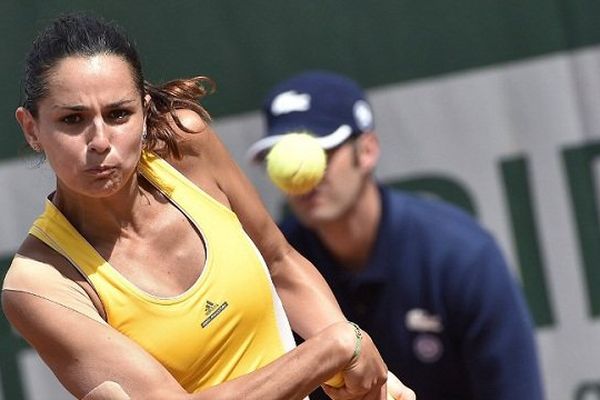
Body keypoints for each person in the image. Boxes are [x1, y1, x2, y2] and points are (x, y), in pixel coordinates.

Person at [0, 14, 416, 400]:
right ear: (32, 128)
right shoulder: (38, 286)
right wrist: (334, 347)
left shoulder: (187, 144)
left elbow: (280, 262)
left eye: (119, 114)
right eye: (72, 120)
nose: (100, 141)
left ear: (145, 113)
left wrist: (369, 376)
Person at [247, 70, 545, 400]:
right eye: (280, 160)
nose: (304, 179)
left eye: (322, 152)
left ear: (368, 150)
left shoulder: (463, 256)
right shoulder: (270, 274)